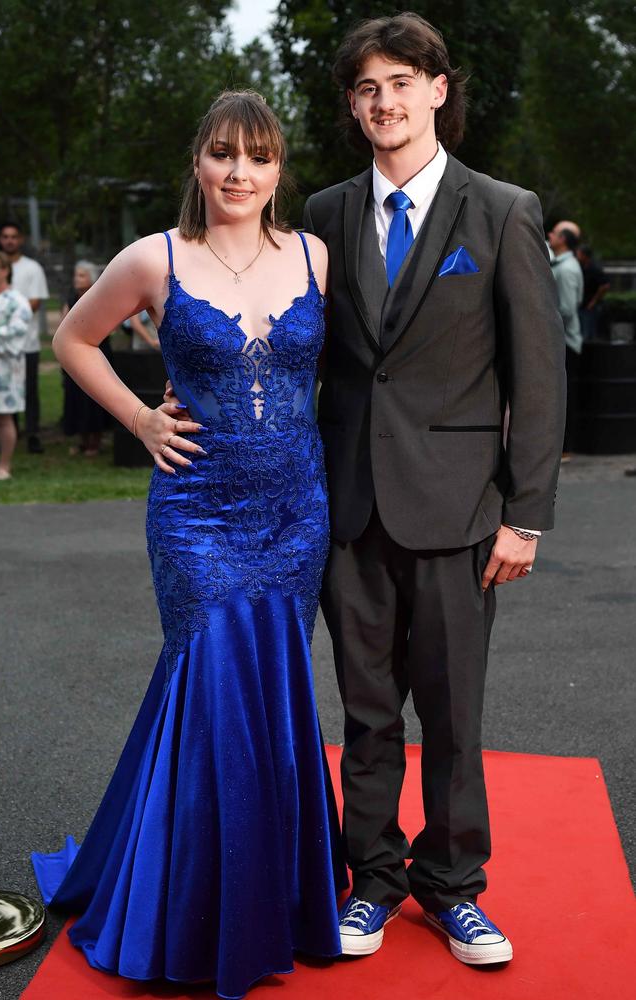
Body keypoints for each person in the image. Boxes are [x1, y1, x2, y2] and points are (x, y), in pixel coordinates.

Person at [31, 90, 346, 999]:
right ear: (199, 165)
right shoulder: (154, 258)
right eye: (221, 155)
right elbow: (72, 338)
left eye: (256, 156)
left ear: (280, 170)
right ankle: (190, 906)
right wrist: (138, 417)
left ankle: (273, 896)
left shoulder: (315, 255)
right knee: (208, 683)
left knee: (274, 690)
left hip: (295, 513)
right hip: (196, 510)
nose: (237, 173)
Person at [300, 13, 565, 965]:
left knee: (454, 716)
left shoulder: (502, 210)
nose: (387, 101)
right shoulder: (323, 215)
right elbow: (300, 351)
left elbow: (539, 380)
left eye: (404, 82)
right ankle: (372, 880)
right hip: (348, 508)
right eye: (368, 88)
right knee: (366, 715)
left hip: (461, 514)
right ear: (353, 105)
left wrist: (524, 517)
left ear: (439, 90)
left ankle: (453, 888)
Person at [0, 222, 49, 454]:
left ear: (20, 239)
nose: (9, 240)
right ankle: (6, 434)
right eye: (5, 236)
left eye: (13, 236)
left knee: (29, 390)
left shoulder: (32, 268)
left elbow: (35, 302)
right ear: (0, 240)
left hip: (26, 343)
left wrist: (5, 311)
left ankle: (32, 434)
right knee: (3, 388)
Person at [0, 250, 32, 481]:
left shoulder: (16, 301)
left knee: (2, 417)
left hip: (3, 368)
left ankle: (4, 466)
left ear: (5, 270)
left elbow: (18, 331)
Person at [61, 260, 112, 457]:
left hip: (97, 350)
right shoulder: (71, 298)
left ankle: (95, 442)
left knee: (94, 397)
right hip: (76, 353)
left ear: (92, 278)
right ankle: (82, 439)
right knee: (76, 396)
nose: (77, 279)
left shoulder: (100, 298)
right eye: (76, 275)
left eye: (81, 275)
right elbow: (64, 324)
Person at [548, 221, 584, 457]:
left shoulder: (567, 268)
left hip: (565, 342)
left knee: (564, 396)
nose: (550, 234)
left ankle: (565, 448)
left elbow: (568, 309)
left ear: (563, 240)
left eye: (555, 233)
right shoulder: (562, 265)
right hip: (562, 340)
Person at [577, 244, 610, 341]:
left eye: (579, 254)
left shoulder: (594, 268)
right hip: (583, 304)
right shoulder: (581, 267)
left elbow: (605, 285)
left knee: (588, 334)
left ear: (584, 255)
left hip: (590, 306)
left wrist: (593, 301)